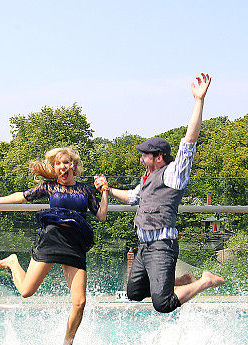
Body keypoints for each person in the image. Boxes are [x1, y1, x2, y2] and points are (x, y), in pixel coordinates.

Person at [94, 73, 224, 313]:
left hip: (162, 245)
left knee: (163, 304)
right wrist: (108, 190)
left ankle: (206, 280)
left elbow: (190, 140)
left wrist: (199, 101)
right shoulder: (146, 180)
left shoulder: (174, 174)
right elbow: (133, 197)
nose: (142, 158)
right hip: (144, 246)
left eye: (145, 155)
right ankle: (183, 282)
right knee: (134, 293)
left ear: (159, 157)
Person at [0, 146, 108, 345]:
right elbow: (23, 196)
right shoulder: (49, 187)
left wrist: (105, 191)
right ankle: (13, 262)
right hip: (51, 240)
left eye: (66, 163)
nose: (62, 167)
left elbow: (101, 215)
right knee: (26, 291)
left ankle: (68, 344)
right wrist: (0, 200)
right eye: (58, 164)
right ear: (54, 168)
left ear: (73, 165)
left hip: (75, 245)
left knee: (80, 302)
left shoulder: (85, 190)